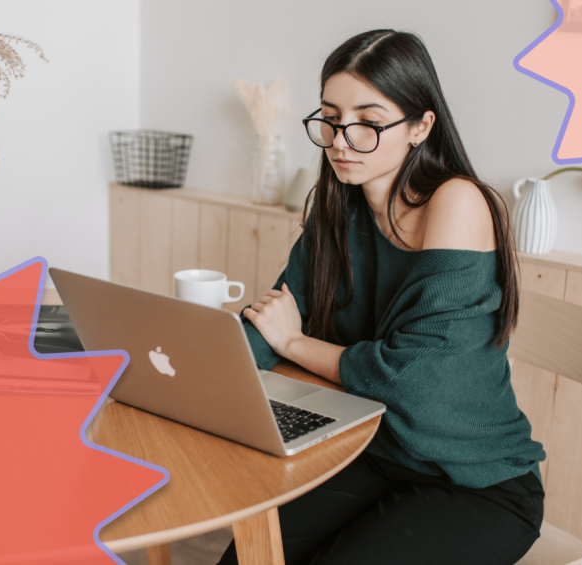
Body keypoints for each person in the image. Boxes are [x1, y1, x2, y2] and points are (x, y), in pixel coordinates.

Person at [217, 29, 547, 565]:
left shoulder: (457, 202)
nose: (342, 141)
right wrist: (198, 367)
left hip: (472, 480)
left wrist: (297, 345)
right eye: (330, 118)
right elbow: (273, 319)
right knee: (248, 556)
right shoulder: (336, 206)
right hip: (372, 451)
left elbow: (414, 381)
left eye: (369, 124)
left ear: (421, 126)